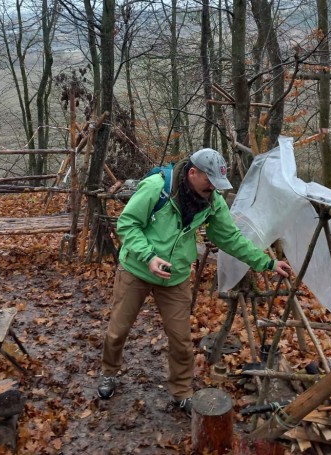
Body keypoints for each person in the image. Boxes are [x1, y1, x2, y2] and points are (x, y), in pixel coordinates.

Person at [97, 148, 291, 414]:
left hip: (175, 276)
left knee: (181, 340)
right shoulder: (157, 188)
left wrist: (266, 262)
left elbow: (230, 238)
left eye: (217, 184)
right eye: (209, 181)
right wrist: (149, 256)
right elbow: (128, 224)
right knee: (118, 330)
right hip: (137, 269)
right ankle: (109, 371)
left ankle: (181, 391)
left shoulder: (212, 201)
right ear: (192, 173)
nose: (213, 188)